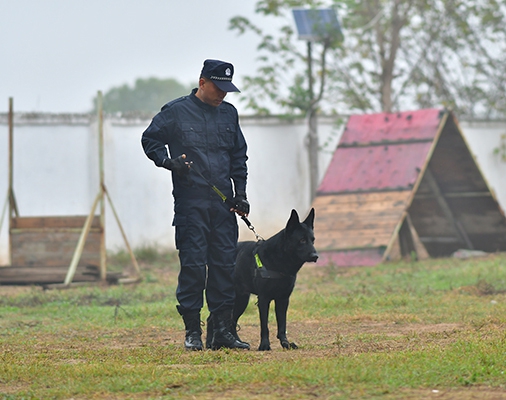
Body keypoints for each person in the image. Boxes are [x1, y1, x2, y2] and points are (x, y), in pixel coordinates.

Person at [141, 59, 250, 351]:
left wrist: (241, 194)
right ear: (202, 82)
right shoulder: (176, 112)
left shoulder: (229, 114)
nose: (223, 95)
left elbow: (239, 157)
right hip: (191, 204)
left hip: (224, 205)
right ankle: (192, 332)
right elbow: (150, 139)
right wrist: (168, 162)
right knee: (192, 267)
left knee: (224, 266)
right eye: (218, 87)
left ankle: (222, 332)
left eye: (227, 89)